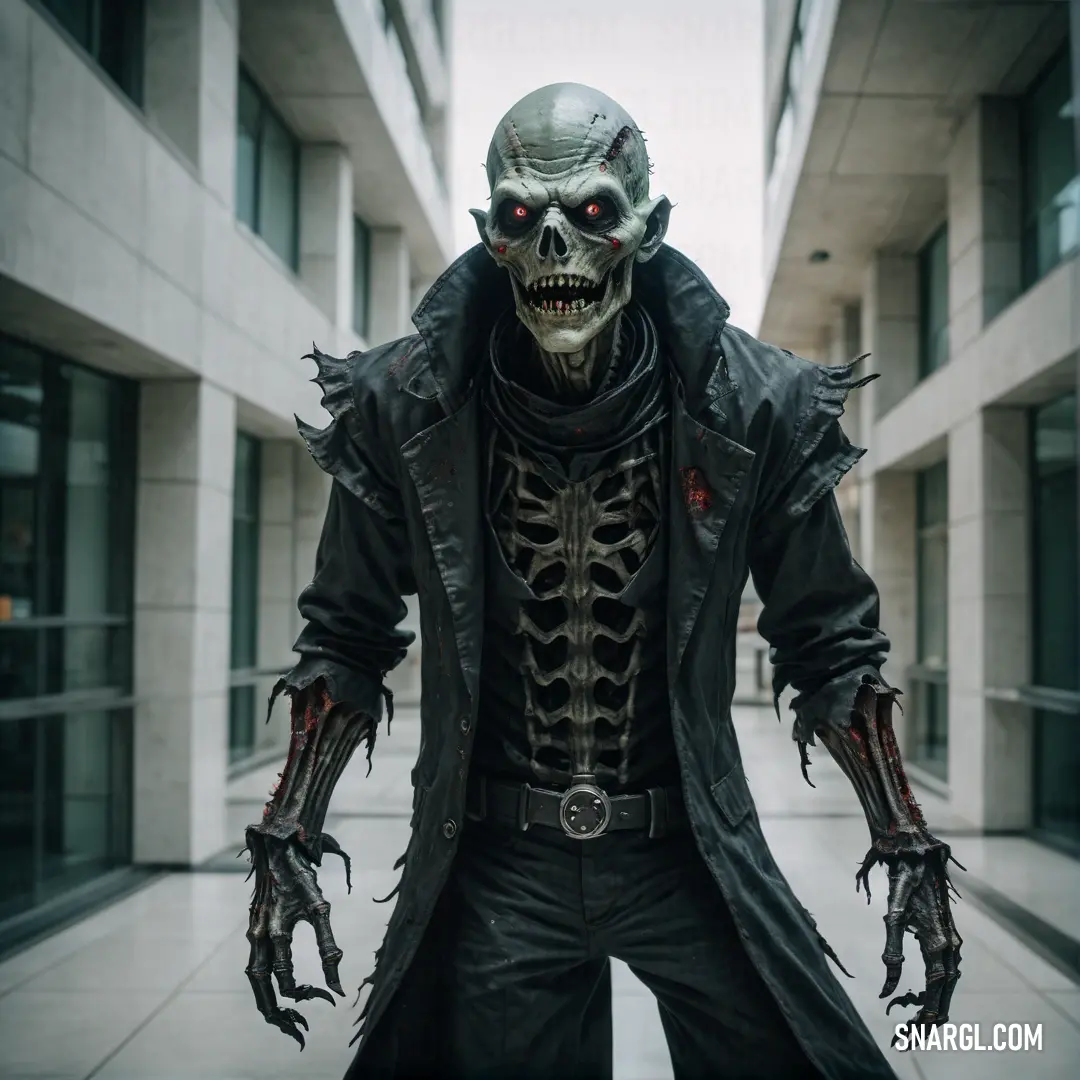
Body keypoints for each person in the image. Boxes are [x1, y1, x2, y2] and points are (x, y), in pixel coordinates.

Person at [242, 83, 961, 1080]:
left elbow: (831, 636)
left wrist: (907, 844)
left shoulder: (758, 408)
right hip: (501, 863)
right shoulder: (402, 408)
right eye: (519, 219)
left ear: (647, 229)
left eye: (588, 217)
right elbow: (346, 630)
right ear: (489, 234)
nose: (552, 251)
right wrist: (288, 832)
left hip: (689, 852)